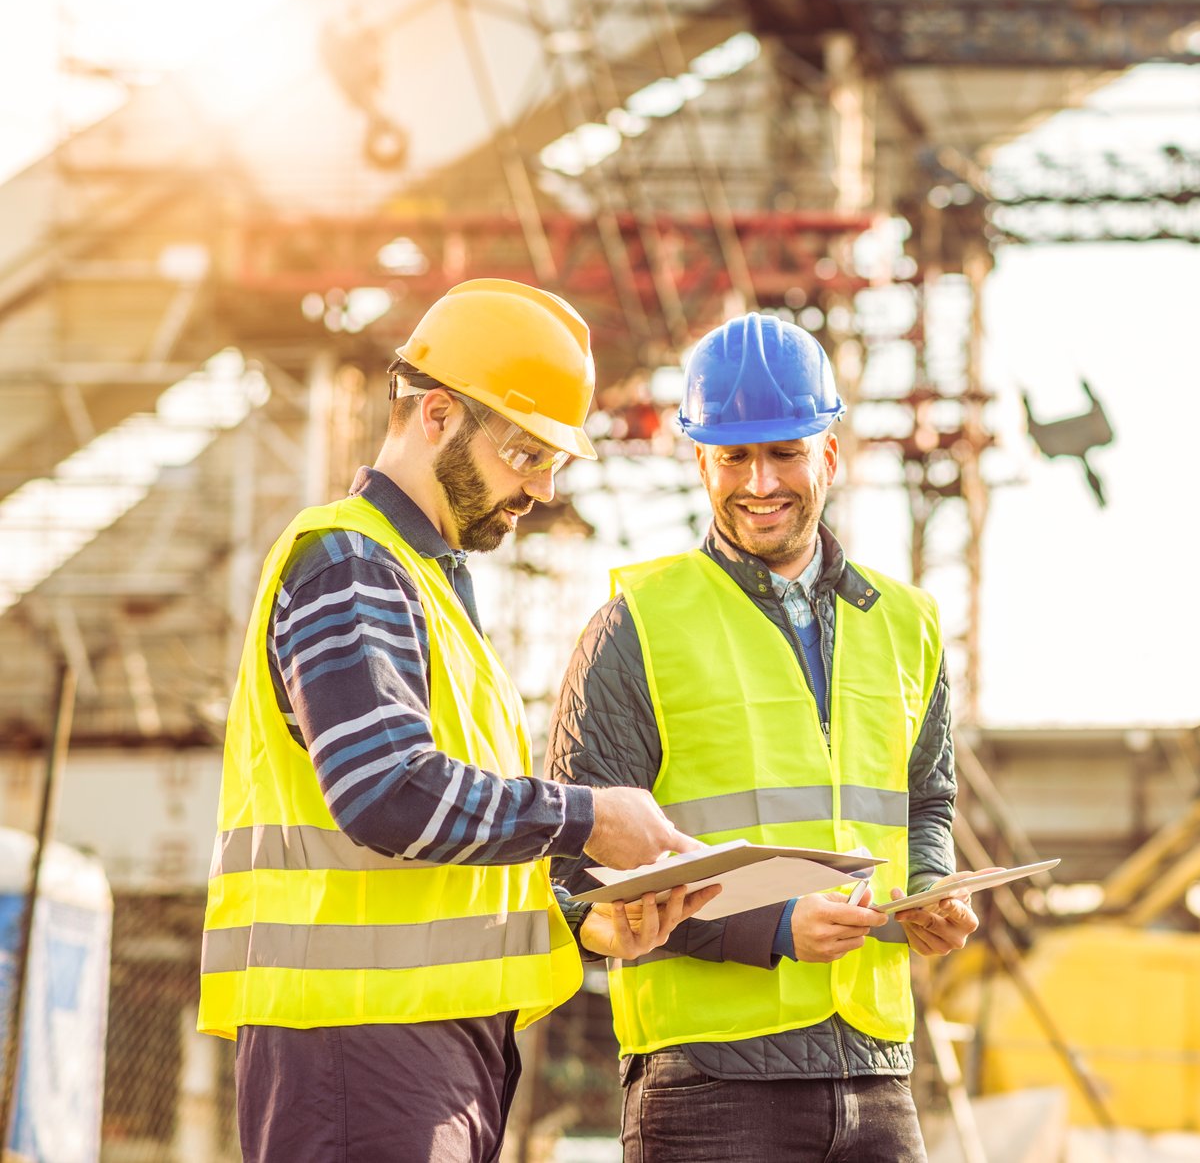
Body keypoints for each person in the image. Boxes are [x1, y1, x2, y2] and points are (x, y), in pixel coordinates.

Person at [198, 279, 717, 1163]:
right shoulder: (351, 563)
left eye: (555, 461)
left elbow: (439, 864)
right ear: (437, 414)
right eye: (526, 453)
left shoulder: (423, 584)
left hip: (417, 1050)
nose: (543, 488)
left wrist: (583, 922)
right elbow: (390, 795)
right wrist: (593, 819)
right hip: (358, 1052)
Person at [549, 312, 983, 1162]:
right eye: (733, 457)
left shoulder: (910, 623)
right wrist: (775, 927)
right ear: (699, 459)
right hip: (707, 1085)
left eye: (784, 452)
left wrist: (929, 890)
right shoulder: (637, 626)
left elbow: (926, 798)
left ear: (829, 450)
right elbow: (583, 873)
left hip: (876, 1074)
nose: (759, 483)